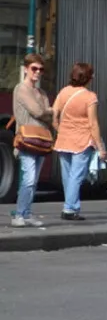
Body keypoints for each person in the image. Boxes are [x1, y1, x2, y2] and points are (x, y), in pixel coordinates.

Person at [51, 62, 107, 221]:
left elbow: (54, 113)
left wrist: (60, 129)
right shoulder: (90, 97)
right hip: (82, 142)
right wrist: (101, 147)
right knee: (76, 176)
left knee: (67, 176)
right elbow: (93, 124)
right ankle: (69, 209)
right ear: (89, 78)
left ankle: (71, 206)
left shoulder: (63, 92)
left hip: (63, 141)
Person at [10, 54, 52, 228]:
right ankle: (19, 214)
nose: (38, 72)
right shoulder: (21, 89)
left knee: (34, 180)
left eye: (41, 69)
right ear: (26, 69)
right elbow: (39, 111)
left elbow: (48, 115)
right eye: (34, 68)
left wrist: (47, 111)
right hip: (27, 139)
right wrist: (48, 110)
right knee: (28, 178)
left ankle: (27, 213)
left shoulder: (41, 92)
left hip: (40, 140)